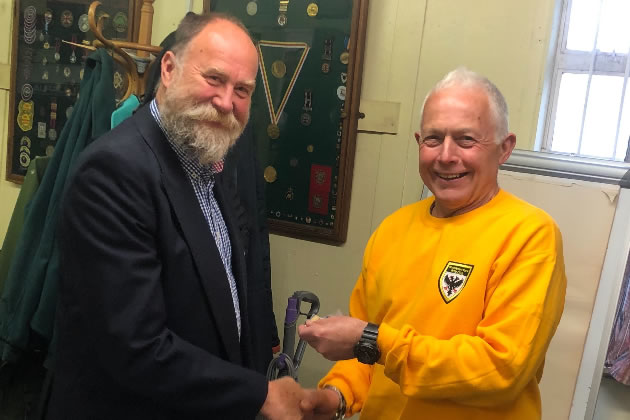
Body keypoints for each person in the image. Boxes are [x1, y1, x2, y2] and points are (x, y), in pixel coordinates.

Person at [47, 13, 323, 419]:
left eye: (242, 90)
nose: (227, 102)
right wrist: (259, 395)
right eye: (214, 79)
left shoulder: (213, 160)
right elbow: (135, 346)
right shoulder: (113, 173)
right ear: (170, 69)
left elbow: (226, 299)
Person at [298, 67, 567, 420]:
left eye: (466, 140)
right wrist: (335, 397)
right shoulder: (393, 229)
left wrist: (374, 341)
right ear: (418, 143)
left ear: (505, 149)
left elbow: (500, 369)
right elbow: (364, 352)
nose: (446, 156)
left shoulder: (530, 234)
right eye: (433, 139)